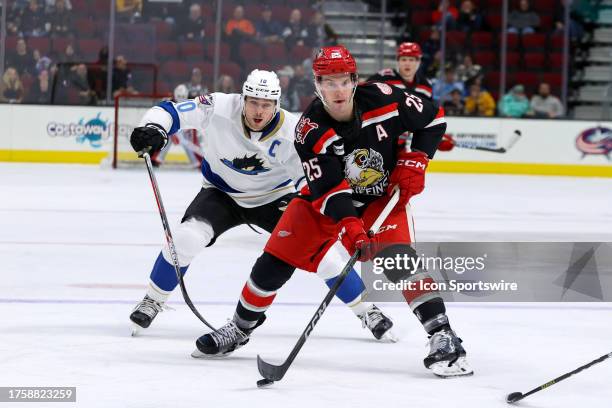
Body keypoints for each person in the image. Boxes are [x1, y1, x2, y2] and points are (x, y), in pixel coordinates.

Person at [194, 46, 473, 378]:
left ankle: (443, 335)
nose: (337, 90)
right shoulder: (309, 129)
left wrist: (417, 159)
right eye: (328, 82)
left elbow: (434, 119)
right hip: (325, 201)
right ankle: (240, 328)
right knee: (276, 258)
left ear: (354, 81)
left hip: (381, 198)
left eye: (343, 81)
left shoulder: (385, 97)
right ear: (317, 85)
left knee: (399, 261)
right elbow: (328, 189)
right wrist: (351, 226)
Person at [127, 69, 396, 342]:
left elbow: (312, 181)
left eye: (266, 105)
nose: (258, 110)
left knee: (323, 254)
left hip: (275, 198)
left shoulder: (296, 131)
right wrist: (154, 128)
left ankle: (366, 309)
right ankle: (152, 300)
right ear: (242, 98)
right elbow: (172, 112)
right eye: (253, 102)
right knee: (185, 239)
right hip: (221, 193)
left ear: (277, 104)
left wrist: (335, 216)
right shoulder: (218, 105)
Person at [367, 42, 433, 100]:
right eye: (404, 59)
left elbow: (429, 111)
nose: (407, 64)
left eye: (411, 60)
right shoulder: (382, 79)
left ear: (418, 62)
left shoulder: (425, 86)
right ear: (398, 61)